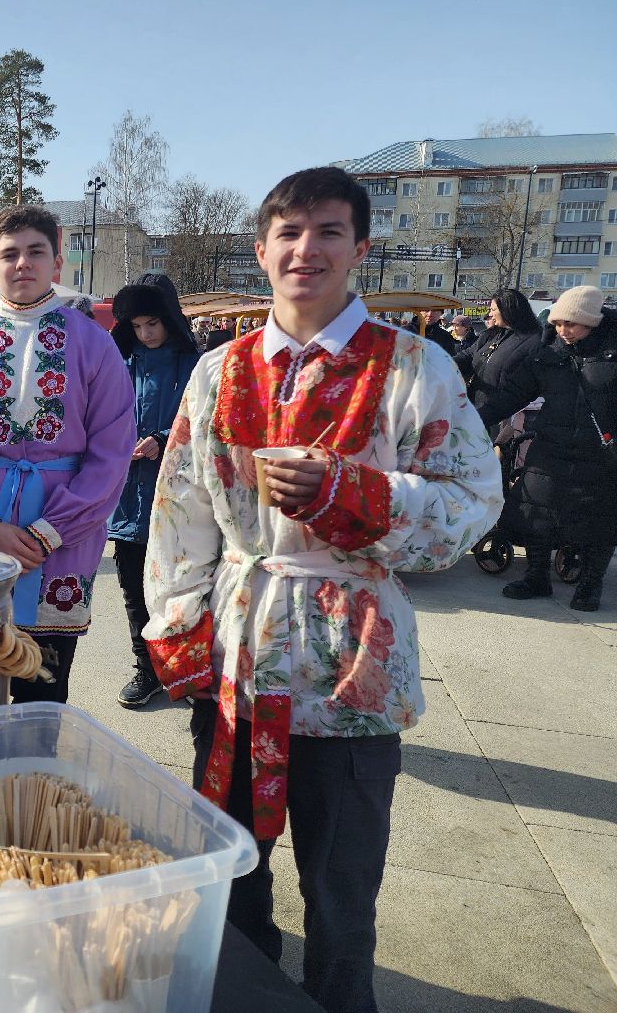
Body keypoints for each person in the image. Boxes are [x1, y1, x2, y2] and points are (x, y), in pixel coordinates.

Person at [143, 167, 501, 1013]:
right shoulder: (219, 371)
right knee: (232, 880)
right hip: (236, 654)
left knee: (342, 898)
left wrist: (356, 494)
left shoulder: (416, 365)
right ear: (263, 250)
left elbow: (472, 500)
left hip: (352, 672)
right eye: (290, 234)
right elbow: (181, 509)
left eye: (329, 232)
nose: (308, 250)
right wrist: (175, 624)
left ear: (360, 248)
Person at [0, 205, 135, 703]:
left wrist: (46, 534)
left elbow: (112, 454)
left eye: (36, 252)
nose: (22, 264)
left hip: (61, 544)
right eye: (9, 254)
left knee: (43, 689)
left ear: (58, 263)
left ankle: (31, 780)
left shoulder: (94, 346)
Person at [483, 285, 617, 611]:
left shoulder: (612, 354)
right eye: (557, 323)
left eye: (570, 323)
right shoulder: (548, 352)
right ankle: (537, 576)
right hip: (551, 447)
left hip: (600, 452)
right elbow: (514, 393)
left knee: (599, 521)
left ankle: (590, 584)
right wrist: (473, 418)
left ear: (591, 321)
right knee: (535, 513)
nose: (562, 330)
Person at [105, 283, 200, 709]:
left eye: (153, 322)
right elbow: (99, 415)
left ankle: (184, 668)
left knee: (182, 589)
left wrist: (165, 439)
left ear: (170, 319)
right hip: (127, 498)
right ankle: (146, 669)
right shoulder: (118, 362)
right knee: (132, 590)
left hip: (179, 499)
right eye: (137, 325)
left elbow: (207, 422)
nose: (145, 333)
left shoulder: (196, 364)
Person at [452, 290, 543, 431]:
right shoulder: (492, 334)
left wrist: (480, 418)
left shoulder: (534, 342)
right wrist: (439, 363)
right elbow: (468, 355)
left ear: (508, 310)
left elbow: (517, 393)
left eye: (493, 309)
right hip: (473, 409)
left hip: (498, 418)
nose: (490, 314)